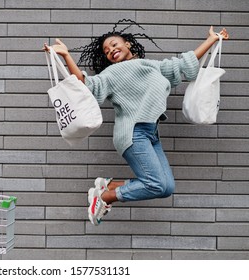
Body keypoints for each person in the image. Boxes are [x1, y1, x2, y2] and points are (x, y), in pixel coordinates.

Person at [43, 19, 230, 225]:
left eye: (114, 44)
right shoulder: (111, 74)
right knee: (156, 184)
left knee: (166, 187)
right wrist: (67, 56)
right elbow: (86, 85)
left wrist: (211, 40)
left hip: (151, 134)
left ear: (128, 44)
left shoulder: (152, 66)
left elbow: (183, 64)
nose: (111, 50)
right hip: (133, 134)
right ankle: (104, 198)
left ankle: (109, 186)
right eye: (106, 51)